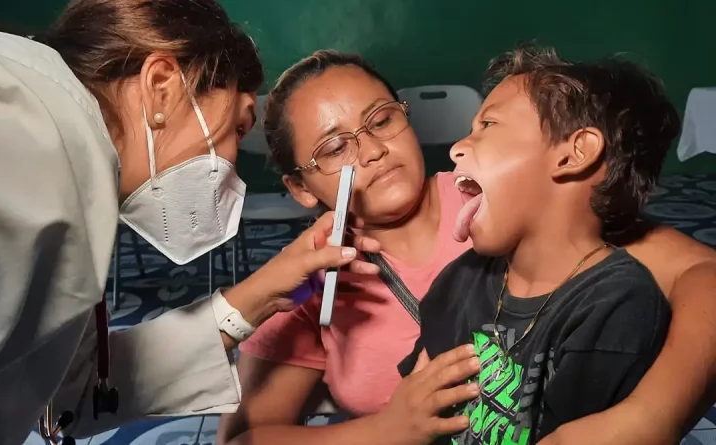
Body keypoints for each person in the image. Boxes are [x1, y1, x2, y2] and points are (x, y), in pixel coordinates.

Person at [0, 1, 383, 444]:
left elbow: (69, 391)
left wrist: (262, 292)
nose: (233, 160)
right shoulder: (20, 149)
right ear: (162, 85)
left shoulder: (62, 158)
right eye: (237, 129)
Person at [217, 50, 716, 445]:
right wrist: (386, 432)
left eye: (382, 119)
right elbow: (242, 440)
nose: (371, 150)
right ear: (301, 188)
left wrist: (650, 417)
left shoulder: (502, 197)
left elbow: (703, 275)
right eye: (334, 148)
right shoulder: (307, 280)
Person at [398, 46, 677, 444]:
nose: (457, 147)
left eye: (488, 125)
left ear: (574, 153)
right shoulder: (462, 278)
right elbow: (415, 402)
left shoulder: (616, 304)